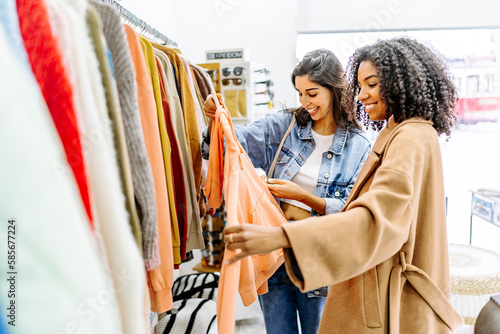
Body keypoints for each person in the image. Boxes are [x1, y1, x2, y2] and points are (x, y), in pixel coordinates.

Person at [221, 37, 465, 333]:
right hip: (326, 269)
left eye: (372, 84)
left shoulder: (408, 139)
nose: (362, 95)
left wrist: (282, 237)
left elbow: (373, 221)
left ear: (400, 82)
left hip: (383, 288)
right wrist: (216, 118)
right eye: (360, 85)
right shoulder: (401, 132)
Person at [201, 49, 371, 334]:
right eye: (300, 93)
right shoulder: (284, 126)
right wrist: (216, 120)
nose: (305, 102)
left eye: (312, 93)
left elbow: (357, 213)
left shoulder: (359, 145)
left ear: (334, 89)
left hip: (321, 260)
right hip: (277, 256)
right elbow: (227, 147)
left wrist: (303, 197)